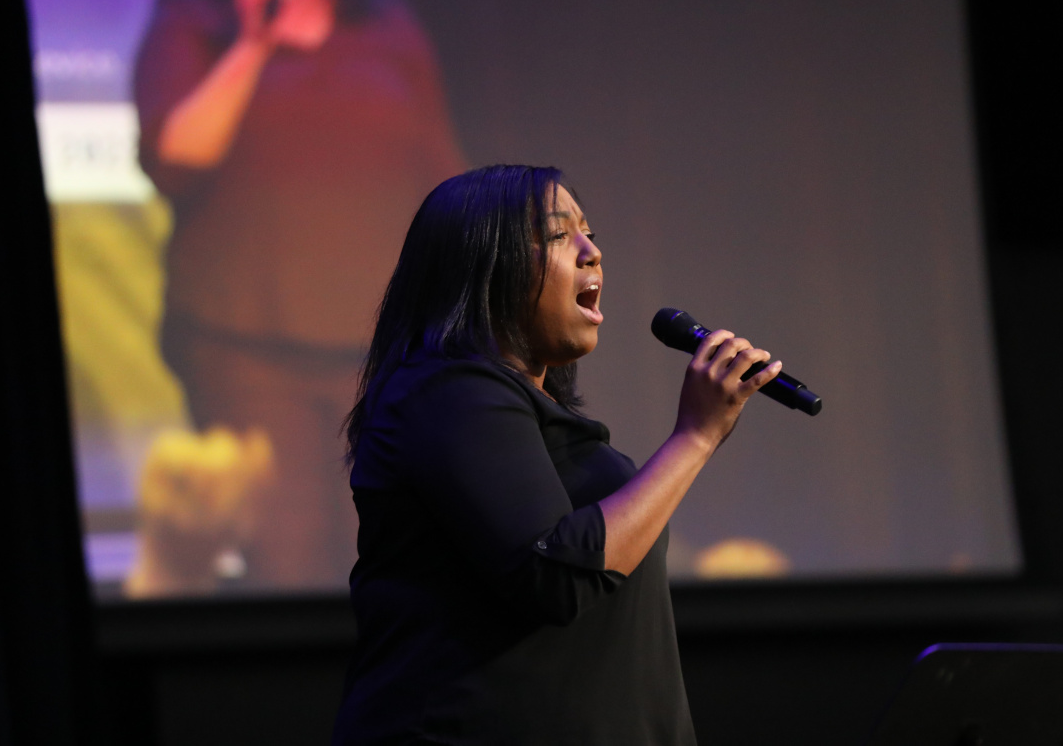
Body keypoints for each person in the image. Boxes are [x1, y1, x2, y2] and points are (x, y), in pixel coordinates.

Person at [333, 165, 783, 745]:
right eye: (556, 235)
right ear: (484, 264)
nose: (593, 252)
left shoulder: (517, 409)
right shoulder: (445, 392)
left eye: (589, 234)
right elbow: (558, 574)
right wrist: (694, 438)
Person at [132, 0, 465, 590]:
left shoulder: (386, 26)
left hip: (380, 348)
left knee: (391, 554)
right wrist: (255, 40)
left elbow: (440, 174)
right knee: (290, 564)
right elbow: (174, 158)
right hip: (247, 346)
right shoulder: (192, 20)